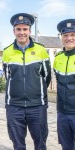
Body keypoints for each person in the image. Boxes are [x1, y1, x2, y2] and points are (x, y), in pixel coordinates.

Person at [2, 13, 51, 150]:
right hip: (14, 106)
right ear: (14, 31)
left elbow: (46, 77)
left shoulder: (41, 50)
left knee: (40, 143)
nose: (22, 32)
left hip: (37, 106)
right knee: (18, 144)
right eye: (18, 29)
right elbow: (8, 76)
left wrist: (34, 90)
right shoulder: (7, 52)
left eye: (25, 29)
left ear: (29, 31)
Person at [53, 19, 75, 150]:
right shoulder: (58, 57)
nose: (69, 38)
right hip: (62, 113)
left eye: (73, 35)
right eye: (66, 35)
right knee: (66, 147)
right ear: (61, 37)